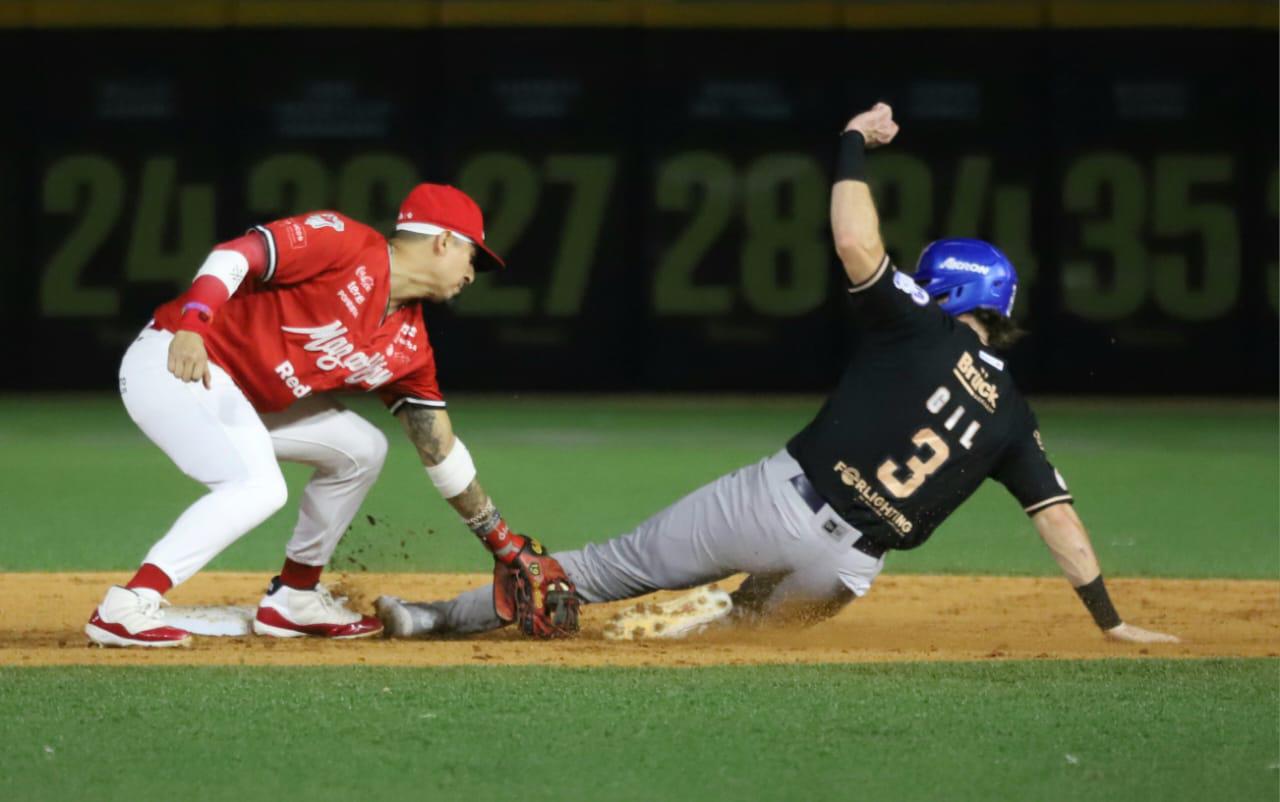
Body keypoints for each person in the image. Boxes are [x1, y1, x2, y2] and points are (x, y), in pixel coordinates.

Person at [376, 104, 1179, 645]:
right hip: (845, 572)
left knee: (592, 571)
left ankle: (431, 619)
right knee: (739, 637)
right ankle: (715, 611)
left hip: (775, 505)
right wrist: (1107, 619)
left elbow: (860, 247)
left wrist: (852, 140)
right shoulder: (1011, 412)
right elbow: (1060, 521)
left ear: (947, 290)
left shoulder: (914, 319)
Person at [87, 183, 577, 647]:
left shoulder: (409, 343)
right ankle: (129, 604)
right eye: (473, 257)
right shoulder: (344, 243)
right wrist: (194, 321)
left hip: (243, 398)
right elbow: (235, 254)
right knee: (258, 487)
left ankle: (295, 598)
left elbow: (439, 447)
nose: (472, 274)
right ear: (444, 241)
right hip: (175, 362)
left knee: (362, 451)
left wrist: (501, 541)